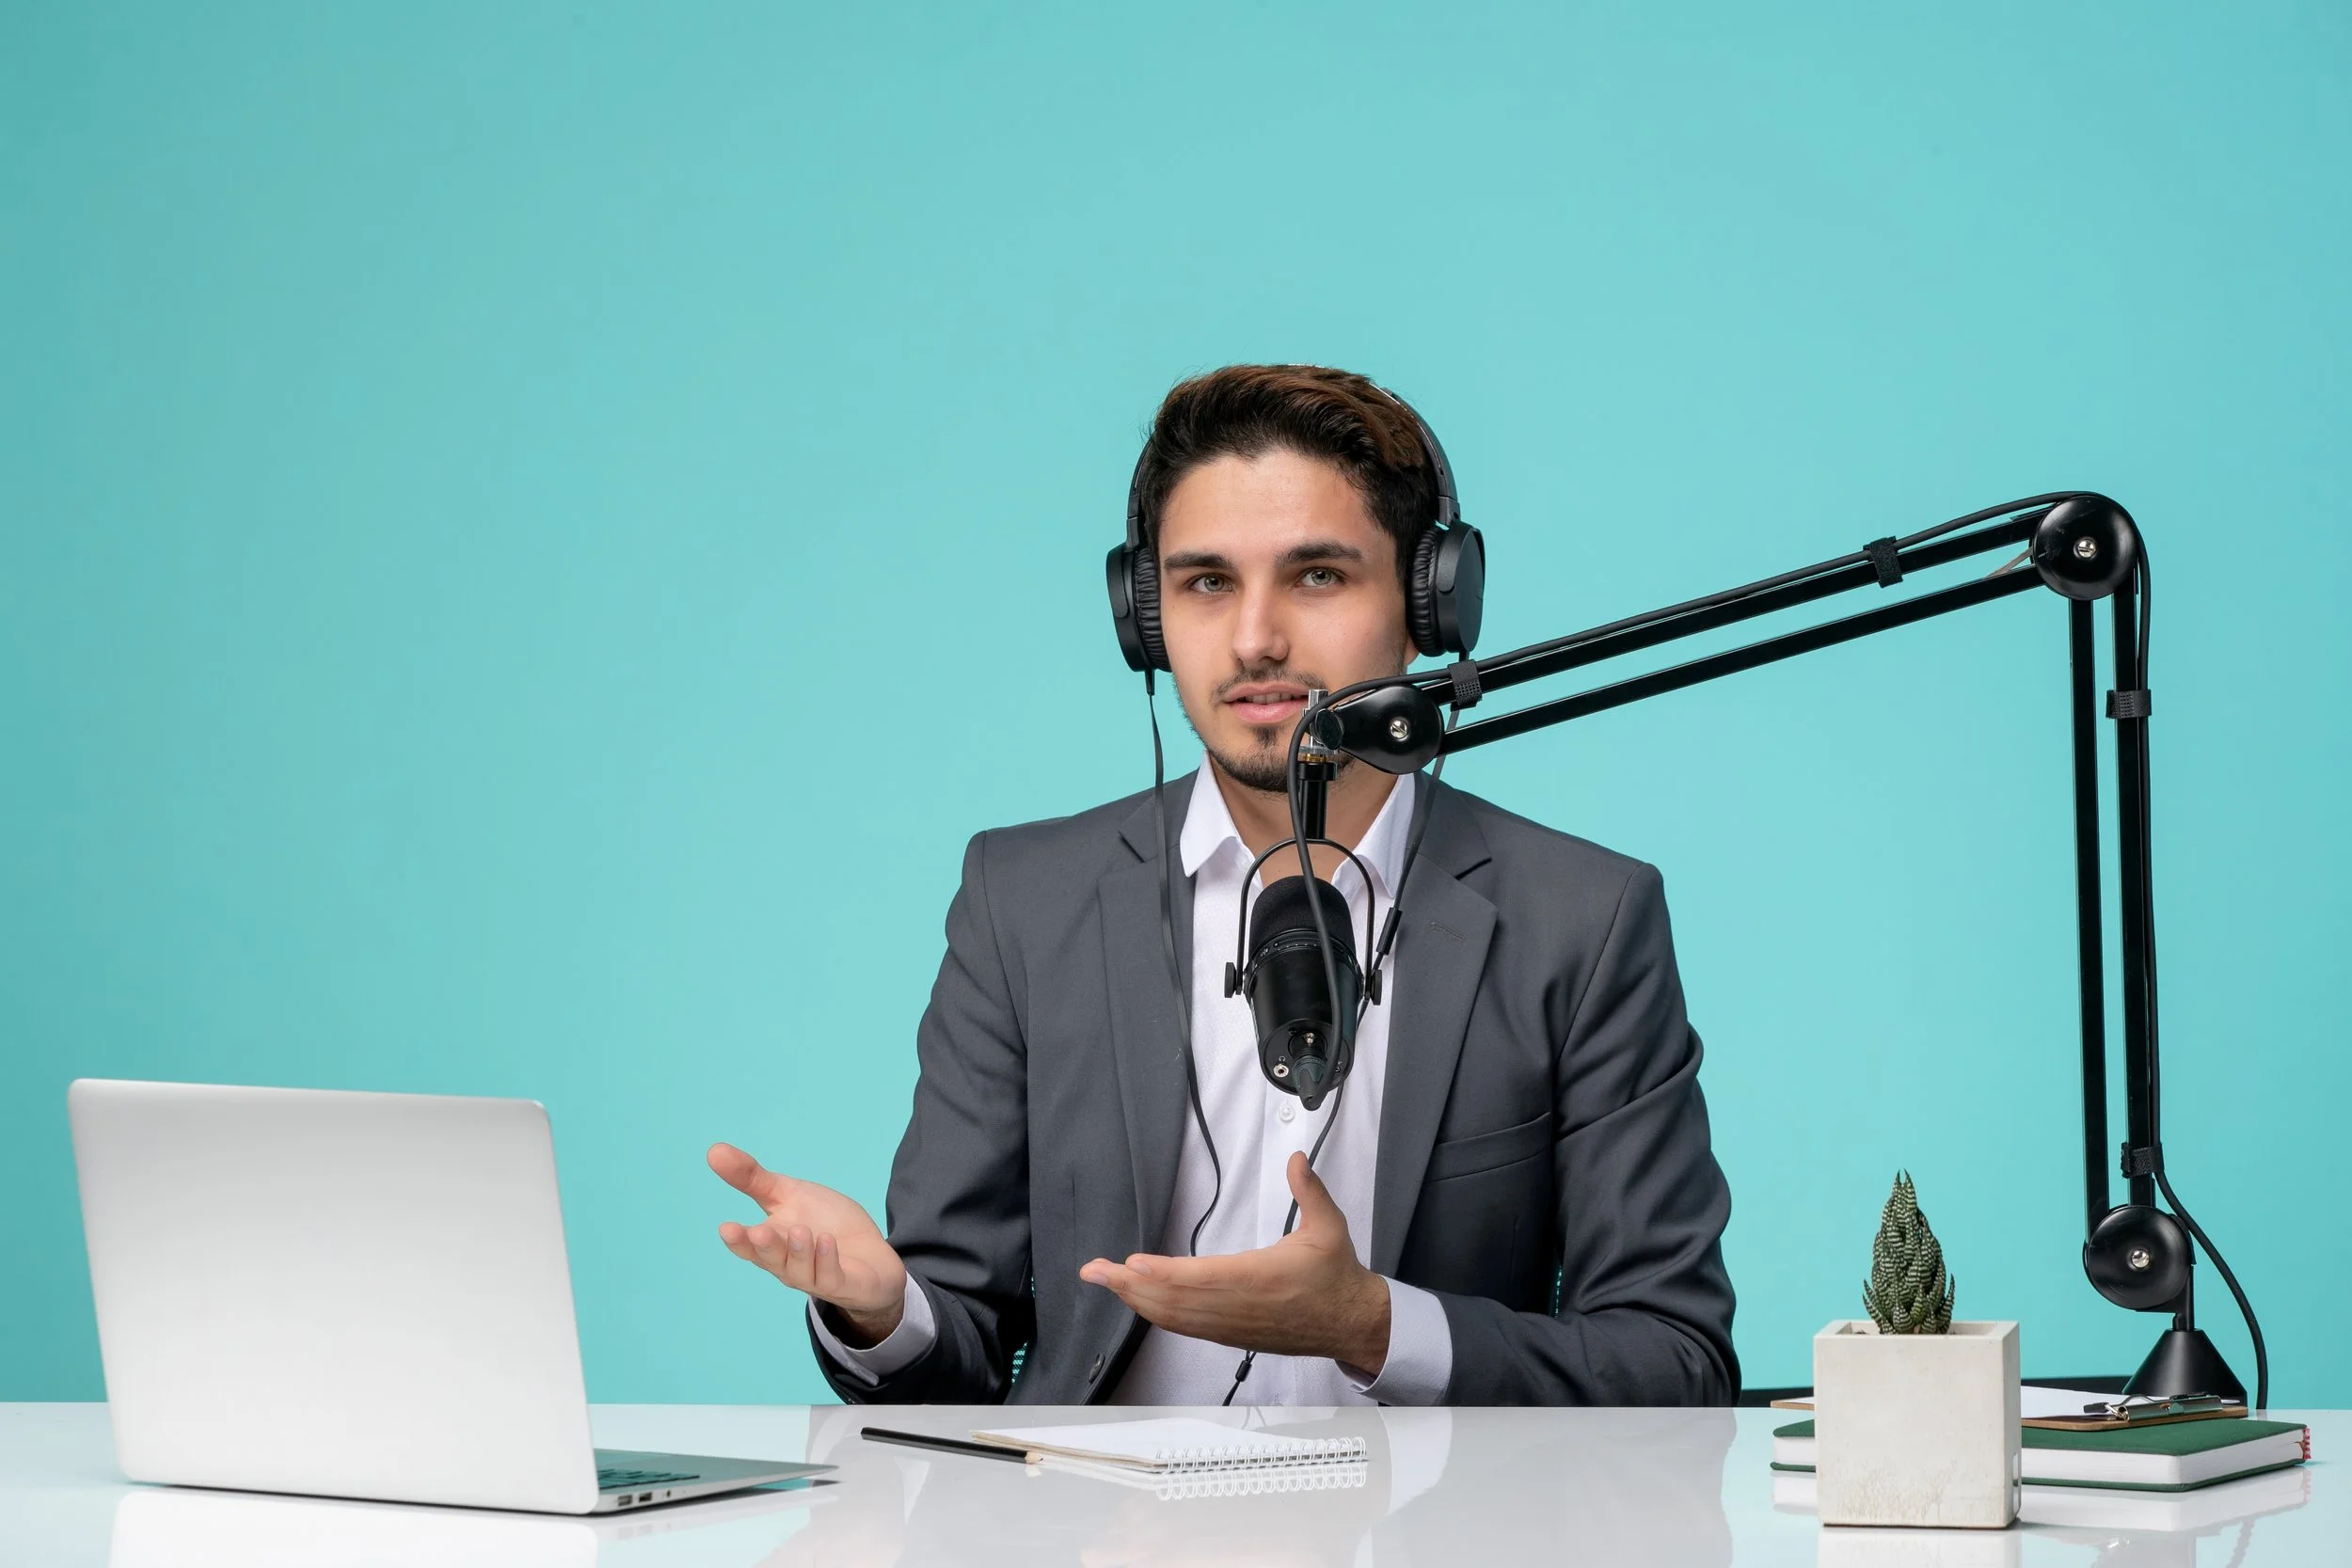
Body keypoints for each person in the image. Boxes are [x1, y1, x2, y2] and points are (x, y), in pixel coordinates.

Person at [708, 364, 1738, 1405]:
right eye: (1206, 582)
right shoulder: (1021, 900)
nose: (1255, 638)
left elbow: (1673, 1360)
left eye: (1317, 576)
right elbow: (956, 1347)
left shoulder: (1582, 918)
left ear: (1430, 601)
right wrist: (882, 1308)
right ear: (1145, 617)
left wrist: (1378, 1327)